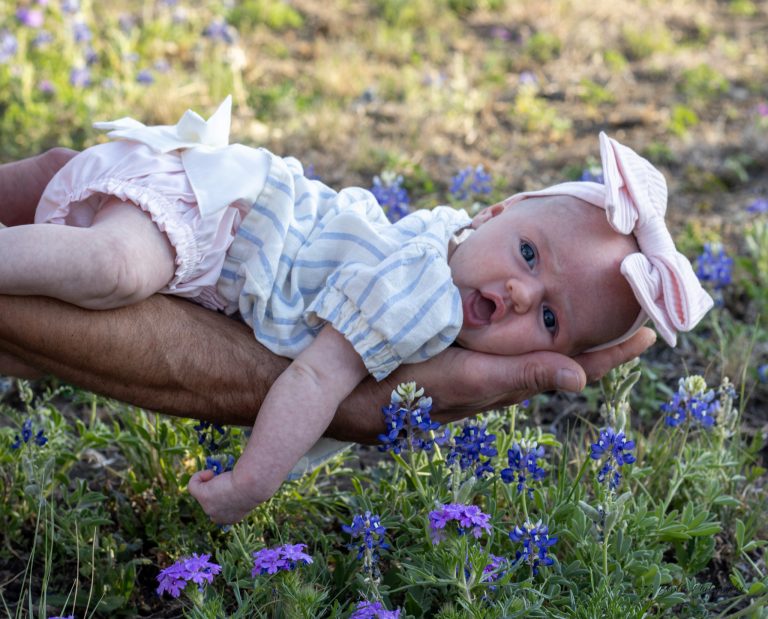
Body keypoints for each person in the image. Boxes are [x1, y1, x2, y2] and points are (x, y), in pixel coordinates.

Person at [0, 98, 707, 524]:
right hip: (202, 215)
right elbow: (314, 381)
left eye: (550, 320)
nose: (522, 294)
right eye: (527, 254)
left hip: (204, 199)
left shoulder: (442, 237)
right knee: (110, 270)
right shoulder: (422, 297)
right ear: (494, 211)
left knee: (51, 267)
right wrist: (253, 480)